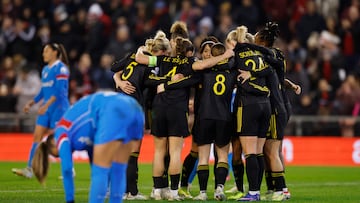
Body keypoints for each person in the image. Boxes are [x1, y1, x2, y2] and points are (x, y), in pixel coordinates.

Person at [31, 91, 145, 203]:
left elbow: (66, 170)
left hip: (112, 110)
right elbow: (93, 159)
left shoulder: (61, 131)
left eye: (59, 153)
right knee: (118, 170)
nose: (64, 153)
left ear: (54, 144)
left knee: (100, 172)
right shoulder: (83, 133)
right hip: (135, 108)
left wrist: (70, 200)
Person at [111, 30, 171, 200]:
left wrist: (119, 81)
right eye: (164, 53)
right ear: (158, 52)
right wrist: (169, 78)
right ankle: (131, 192)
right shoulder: (149, 63)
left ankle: (119, 189)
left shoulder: (133, 55)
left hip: (118, 104)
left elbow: (114, 68)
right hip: (132, 106)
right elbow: (150, 81)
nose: (165, 56)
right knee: (133, 150)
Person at [12, 43, 70, 178]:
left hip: (59, 109)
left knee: (59, 139)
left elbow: (60, 91)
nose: (44, 54)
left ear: (55, 53)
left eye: (46, 51)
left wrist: (46, 105)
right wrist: (32, 102)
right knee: (37, 136)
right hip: (47, 109)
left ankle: (69, 168)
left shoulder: (61, 69)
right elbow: (44, 90)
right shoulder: (45, 70)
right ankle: (30, 169)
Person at [192, 42, 238, 201]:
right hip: (224, 117)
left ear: (212, 55)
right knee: (223, 156)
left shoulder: (205, 70)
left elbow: (196, 66)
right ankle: (219, 189)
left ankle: (202, 193)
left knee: (203, 157)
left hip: (205, 116)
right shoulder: (232, 72)